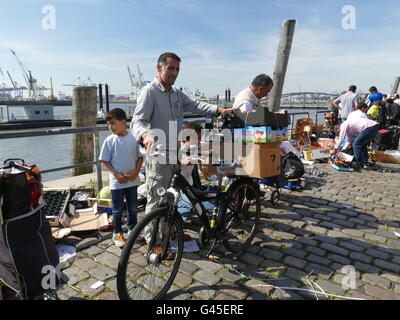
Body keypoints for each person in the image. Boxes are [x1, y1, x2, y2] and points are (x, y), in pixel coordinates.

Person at [131, 52, 234, 250]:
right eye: (170, 68)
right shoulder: (149, 91)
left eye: (177, 69)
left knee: (171, 199)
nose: (174, 73)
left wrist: (219, 110)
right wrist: (145, 135)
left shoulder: (177, 93)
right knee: (156, 200)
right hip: (158, 155)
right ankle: (154, 244)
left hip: (175, 153)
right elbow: (138, 121)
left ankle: (168, 234)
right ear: (159, 68)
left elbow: (196, 105)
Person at [99, 108, 144, 248]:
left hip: (132, 180)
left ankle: (132, 229)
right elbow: (104, 160)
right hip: (117, 182)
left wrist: (136, 172)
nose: (110, 127)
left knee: (133, 208)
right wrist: (117, 175)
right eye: (108, 124)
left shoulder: (134, 138)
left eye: (113, 123)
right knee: (117, 209)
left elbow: (140, 157)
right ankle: (117, 232)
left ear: (123, 122)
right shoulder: (109, 140)